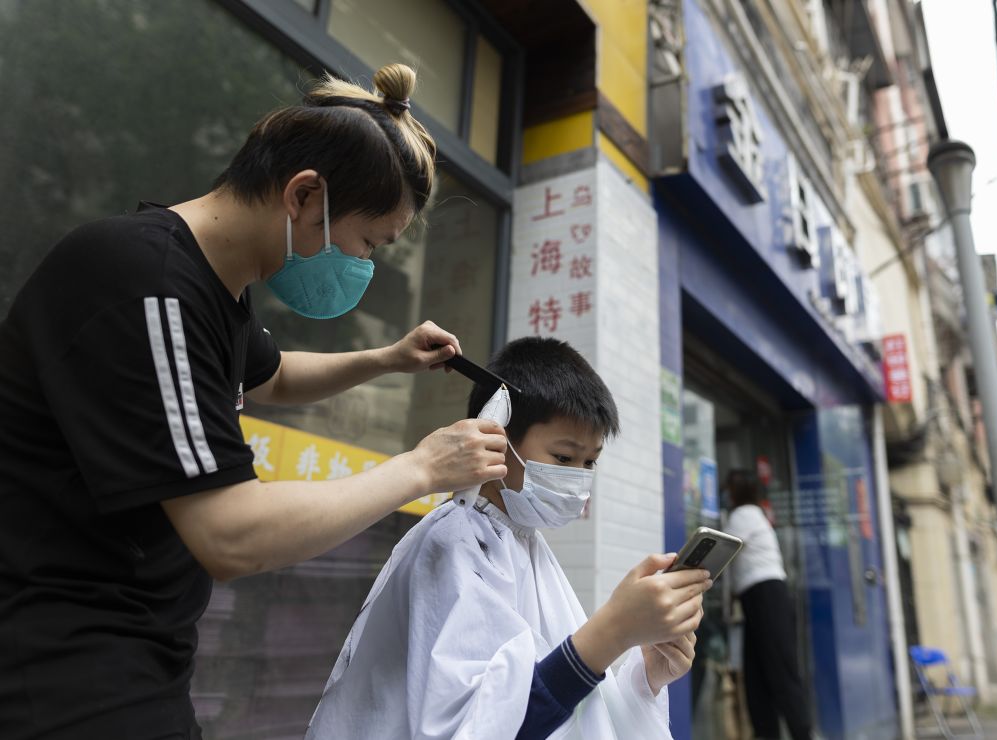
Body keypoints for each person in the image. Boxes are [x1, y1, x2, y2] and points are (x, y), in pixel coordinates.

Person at [0, 64, 510, 740]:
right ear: (304, 195)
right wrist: (422, 468)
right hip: (61, 662)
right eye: (368, 243)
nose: (364, 266)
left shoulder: (216, 289)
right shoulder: (147, 285)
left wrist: (387, 358)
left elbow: (269, 378)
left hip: (137, 650)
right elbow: (229, 534)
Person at [306, 337, 712, 739]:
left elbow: (563, 702)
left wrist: (647, 679)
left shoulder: (521, 542)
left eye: (591, 461)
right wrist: (613, 630)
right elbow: (483, 727)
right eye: (564, 458)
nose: (579, 476)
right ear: (496, 436)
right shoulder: (457, 544)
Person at [723, 470, 812, 740]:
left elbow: (724, 551)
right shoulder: (756, 514)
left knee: (780, 674)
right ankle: (767, 733)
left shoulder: (744, 515)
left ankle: (801, 734)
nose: (725, 494)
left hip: (766, 596)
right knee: (757, 677)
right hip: (760, 599)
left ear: (736, 492)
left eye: (728, 489)